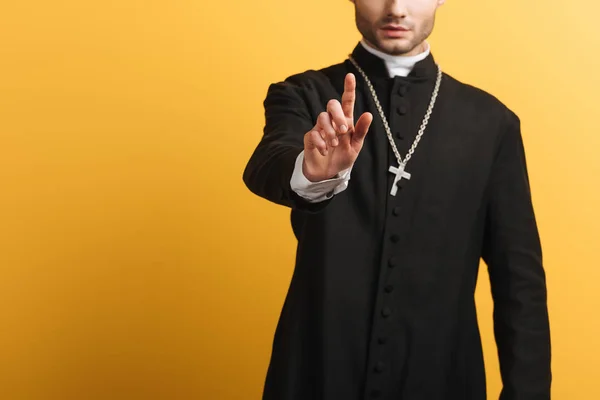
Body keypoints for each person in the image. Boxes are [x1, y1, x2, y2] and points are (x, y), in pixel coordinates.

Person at [242, 0, 552, 399]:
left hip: (443, 378)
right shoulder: (305, 94)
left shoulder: (492, 122)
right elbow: (267, 163)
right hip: (317, 372)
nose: (396, 8)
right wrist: (311, 172)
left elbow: (520, 281)